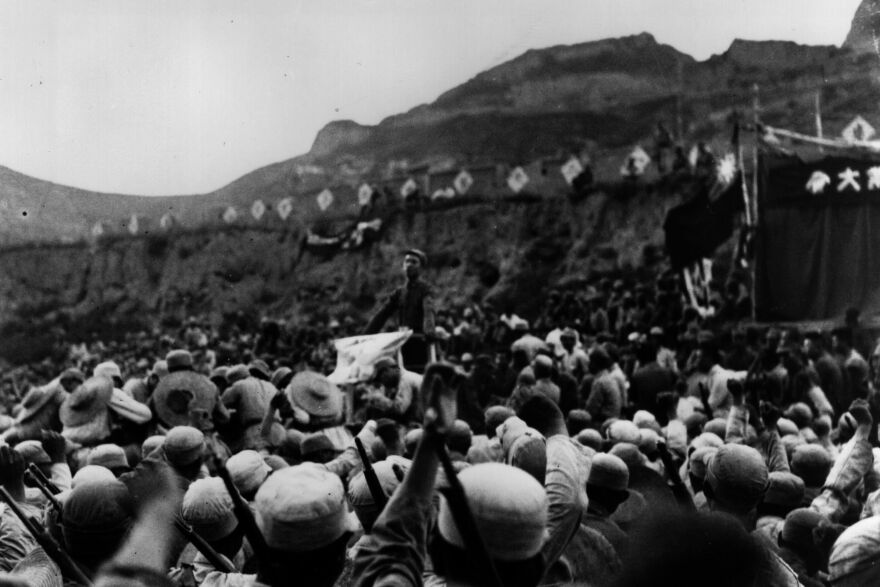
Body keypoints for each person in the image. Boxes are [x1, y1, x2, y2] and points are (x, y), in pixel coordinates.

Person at [365, 249, 436, 373]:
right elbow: (382, 314)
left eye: (414, 262)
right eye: (407, 261)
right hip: (404, 343)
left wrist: (429, 329)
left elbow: (428, 309)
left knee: (421, 375)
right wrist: (366, 335)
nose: (409, 265)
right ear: (403, 266)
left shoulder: (425, 289)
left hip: (420, 341)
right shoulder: (399, 293)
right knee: (405, 374)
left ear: (421, 268)